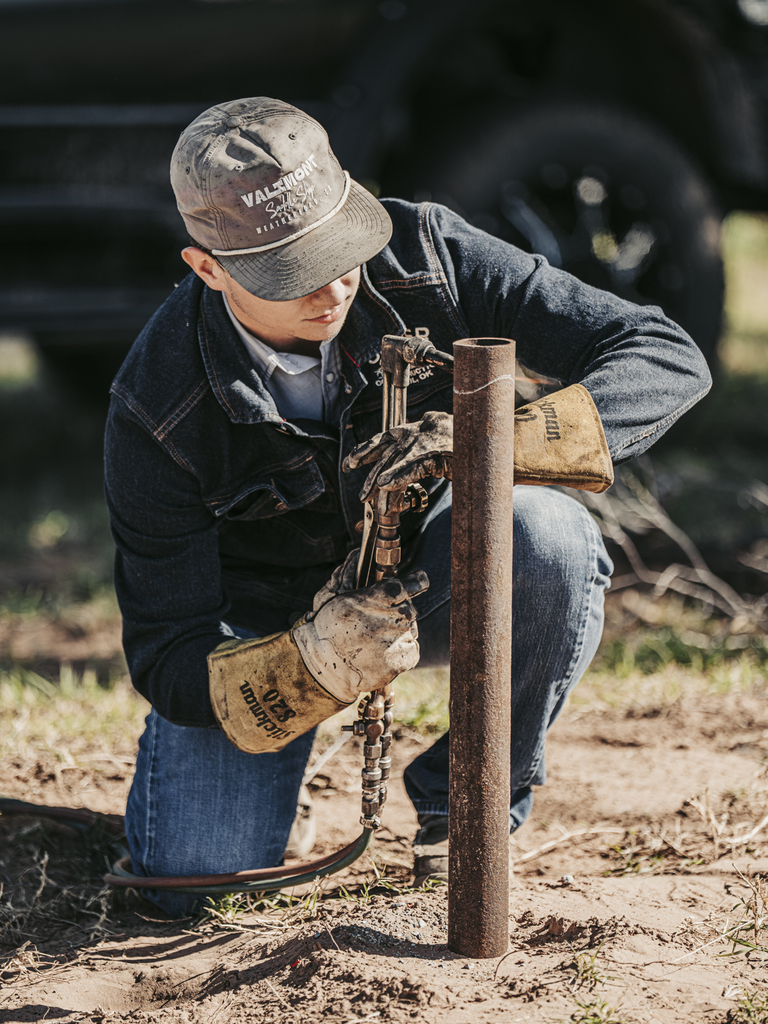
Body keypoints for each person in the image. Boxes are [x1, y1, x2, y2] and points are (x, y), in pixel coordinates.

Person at [104, 96, 711, 917]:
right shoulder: (154, 406)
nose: (329, 286)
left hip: (435, 574)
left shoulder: (426, 247)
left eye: (338, 248)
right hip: (266, 633)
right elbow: (166, 653)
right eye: (290, 271)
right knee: (193, 881)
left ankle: (469, 799)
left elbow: (664, 354)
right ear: (207, 267)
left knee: (547, 532)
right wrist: (309, 667)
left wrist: (496, 445)